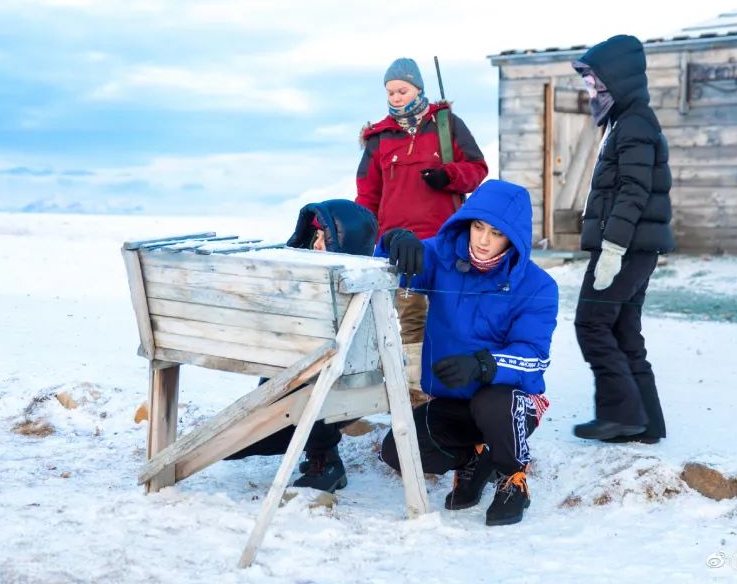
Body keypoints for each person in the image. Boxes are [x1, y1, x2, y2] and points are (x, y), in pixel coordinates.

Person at [375, 180, 558, 526]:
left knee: (492, 403)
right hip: (453, 399)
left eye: (496, 232)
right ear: (467, 222)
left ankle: (513, 477)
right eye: (478, 226)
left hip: (508, 403)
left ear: (513, 237)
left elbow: (534, 358)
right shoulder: (443, 257)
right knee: (396, 451)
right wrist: (393, 241)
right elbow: (384, 272)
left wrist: (482, 365)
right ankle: (474, 459)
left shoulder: (538, 286)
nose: (483, 240)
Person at [356, 57, 489, 398]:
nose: (396, 97)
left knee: (447, 321)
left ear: (418, 89)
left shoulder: (446, 125)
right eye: (391, 91)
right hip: (398, 247)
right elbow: (367, 196)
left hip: (445, 245)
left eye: (402, 90)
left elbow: (477, 168)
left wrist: (450, 176)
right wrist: (365, 243)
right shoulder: (379, 138)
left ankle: (452, 394)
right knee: (410, 320)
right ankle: (416, 399)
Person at [225, 199, 378, 492]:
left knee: (313, 375)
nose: (317, 245)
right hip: (293, 385)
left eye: (325, 238)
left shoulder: (355, 288)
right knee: (236, 439)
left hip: (337, 387)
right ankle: (321, 454)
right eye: (316, 237)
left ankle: (326, 461)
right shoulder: (310, 285)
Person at [569, 34, 673, 444]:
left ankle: (622, 416)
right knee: (623, 331)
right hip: (635, 246)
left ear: (617, 80)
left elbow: (633, 190)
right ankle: (648, 424)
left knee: (591, 324)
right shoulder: (628, 121)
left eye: (595, 81)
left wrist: (612, 248)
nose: (591, 89)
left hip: (625, 248)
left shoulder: (633, 124)